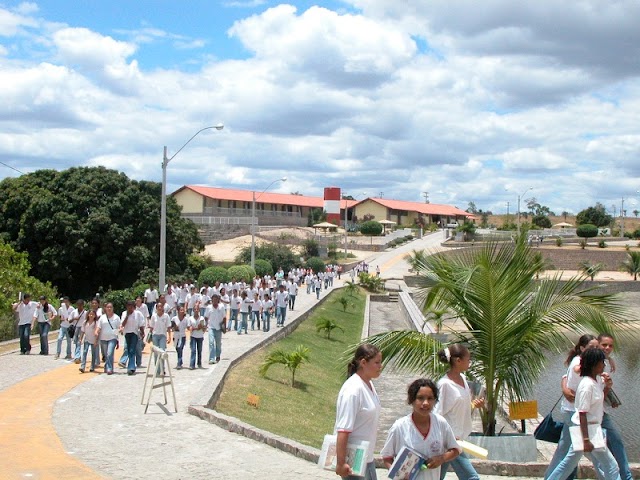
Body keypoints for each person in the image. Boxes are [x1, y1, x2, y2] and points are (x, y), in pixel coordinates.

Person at [546, 348, 621, 480]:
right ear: (594, 364)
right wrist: (586, 440)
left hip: (589, 429)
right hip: (588, 430)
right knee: (611, 466)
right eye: (602, 362)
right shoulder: (587, 385)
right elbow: (582, 413)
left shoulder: (594, 382)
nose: (604, 365)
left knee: (568, 464)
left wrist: (607, 387)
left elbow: (596, 403)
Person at [382, 378, 461, 479]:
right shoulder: (399, 427)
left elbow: (455, 450)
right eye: (420, 398)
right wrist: (398, 475)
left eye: (430, 398)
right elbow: (387, 457)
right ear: (412, 400)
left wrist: (442, 458)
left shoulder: (441, 423)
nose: (426, 403)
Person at [545, 334, 599, 480]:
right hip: (574, 412)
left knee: (568, 449)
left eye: (596, 347)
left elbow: (565, 376)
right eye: (591, 347)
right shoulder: (580, 362)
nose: (595, 350)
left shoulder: (583, 360)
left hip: (574, 411)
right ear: (582, 348)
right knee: (570, 451)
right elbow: (576, 369)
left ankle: (554, 476)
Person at [434, 345, 483, 480]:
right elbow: (436, 414)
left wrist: (474, 405)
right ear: (458, 360)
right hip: (450, 441)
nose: (470, 362)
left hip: (459, 438)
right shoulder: (444, 385)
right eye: (468, 359)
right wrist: (447, 436)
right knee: (471, 477)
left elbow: (459, 407)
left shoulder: (462, 379)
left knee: (437, 476)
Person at [334, 344, 382, 480]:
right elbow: (343, 429)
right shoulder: (353, 390)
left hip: (367, 458)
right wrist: (341, 463)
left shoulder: (369, 384)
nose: (380, 366)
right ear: (363, 363)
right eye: (377, 363)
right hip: (354, 461)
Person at [597, 333, 632, 480]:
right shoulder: (589, 362)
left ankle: (625, 476)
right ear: (597, 344)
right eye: (604, 345)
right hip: (589, 414)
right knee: (601, 450)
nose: (607, 348)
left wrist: (608, 359)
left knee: (613, 442)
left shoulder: (602, 361)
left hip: (600, 412)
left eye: (610, 345)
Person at [120, 300, 145, 375]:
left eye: (131, 306)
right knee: (128, 349)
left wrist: (142, 332)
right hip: (127, 333)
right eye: (128, 306)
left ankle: (131, 367)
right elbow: (123, 324)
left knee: (132, 350)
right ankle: (131, 366)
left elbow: (141, 324)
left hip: (134, 333)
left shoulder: (138, 314)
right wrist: (127, 316)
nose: (130, 308)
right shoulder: (124, 313)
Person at [95, 303, 121, 375]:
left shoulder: (116, 317)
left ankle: (109, 368)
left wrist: (121, 329)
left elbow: (120, 326)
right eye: (108, 307)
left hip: (112, 338)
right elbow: (98, 327)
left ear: (113, 308)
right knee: (106, 354)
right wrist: (96, 332)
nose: (109, 309)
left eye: (110, 307)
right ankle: (107, 366)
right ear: (105, 308)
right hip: (103, 338)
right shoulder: (102, 317)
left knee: (109, 353)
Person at [149, 303, 171, 375]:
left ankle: (162, 369)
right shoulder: (153, 316)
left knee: (162, 352)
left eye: (161, 306)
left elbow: (168, 327)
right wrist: (149, 336)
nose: (159, 308)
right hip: (155, 335)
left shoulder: (166, 316)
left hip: (163, 335)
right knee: (156, 353)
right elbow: (151, 327)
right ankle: (157, 369)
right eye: (158, 307)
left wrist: (169, 336)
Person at [205, 293, 226, 364]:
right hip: (211, 327)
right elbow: (206, 317)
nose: (214, 301)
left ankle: (217, 355)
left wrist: (224, 326)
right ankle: (211, 358)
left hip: (219, 328)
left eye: (216, 300)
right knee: (211, 342)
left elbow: (224, 317)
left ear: (218, 300)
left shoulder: (221, 307)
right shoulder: (209, 308)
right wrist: (205, 326)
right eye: (213, 300)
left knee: (218, 343)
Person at [69, 299, 87, 363]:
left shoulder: (85, 313)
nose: (79, 307)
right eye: (78, 305)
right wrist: (74, 318)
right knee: (76, 342)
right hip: (75, 327)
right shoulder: (74, 312)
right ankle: (78, 356)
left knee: (79, 342)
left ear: (83, 305)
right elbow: (69, 320)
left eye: (80, 305)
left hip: (82, 328)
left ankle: (77, 356)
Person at [189, 303, 206, 369]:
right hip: (193, 336)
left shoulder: (202, 318)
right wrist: (195, 328)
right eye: (195, 309)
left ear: (199, 310)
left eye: (197, 309)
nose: (196, 310)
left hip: (200, 336)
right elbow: (189, 328)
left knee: (199, 350)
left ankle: (199, 362)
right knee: (193, 350)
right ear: (193, 310)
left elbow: (204, 329)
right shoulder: (190, 318)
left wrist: (201, 327)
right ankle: (192, 364)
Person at [172, 306, 189, 370]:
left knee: (180, 348)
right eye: (181, 310)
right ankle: (180, 360)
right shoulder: (174, 318)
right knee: (177, 349)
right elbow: (172, 327)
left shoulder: (186, 319)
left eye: (183, 310)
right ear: (178, 311)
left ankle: (179, 363)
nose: (182, 311)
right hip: (176, 336)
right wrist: (175, 327)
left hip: (182, 336)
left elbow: (188, 327)